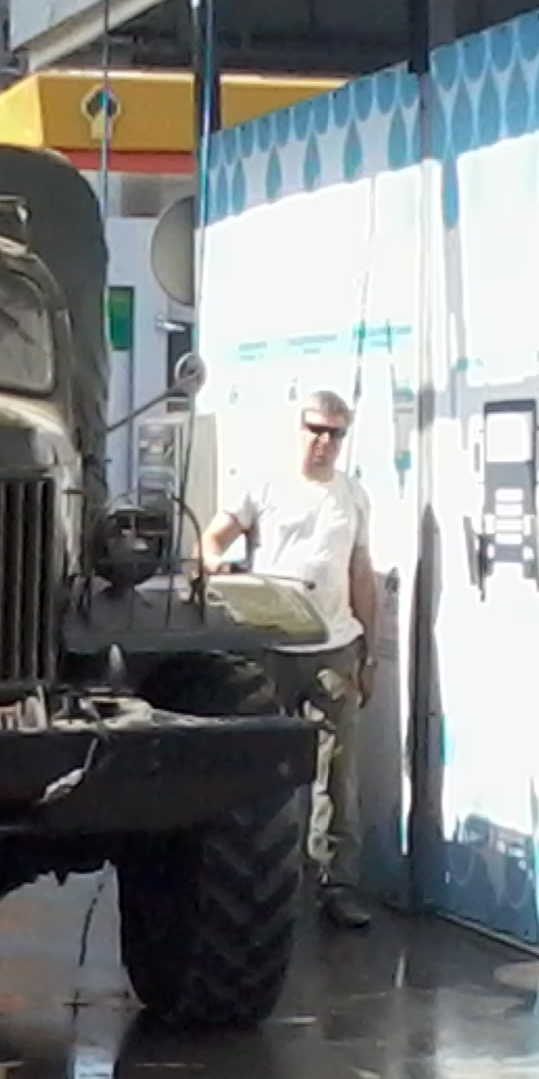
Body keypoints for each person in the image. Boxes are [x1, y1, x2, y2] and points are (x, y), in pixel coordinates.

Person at [199, 389, 379, 931]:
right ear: (298, 429)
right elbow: (213, 536)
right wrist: (218, 569)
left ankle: (337, 885)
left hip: (334, 646)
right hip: (272, 647)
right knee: (263, 771)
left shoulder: (352, 495)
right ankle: (263, 884)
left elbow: (361, 573)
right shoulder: (267, 484)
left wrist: (369, 652)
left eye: (336, 433)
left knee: (336, 776)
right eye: (315, 429)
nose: (324, 442)